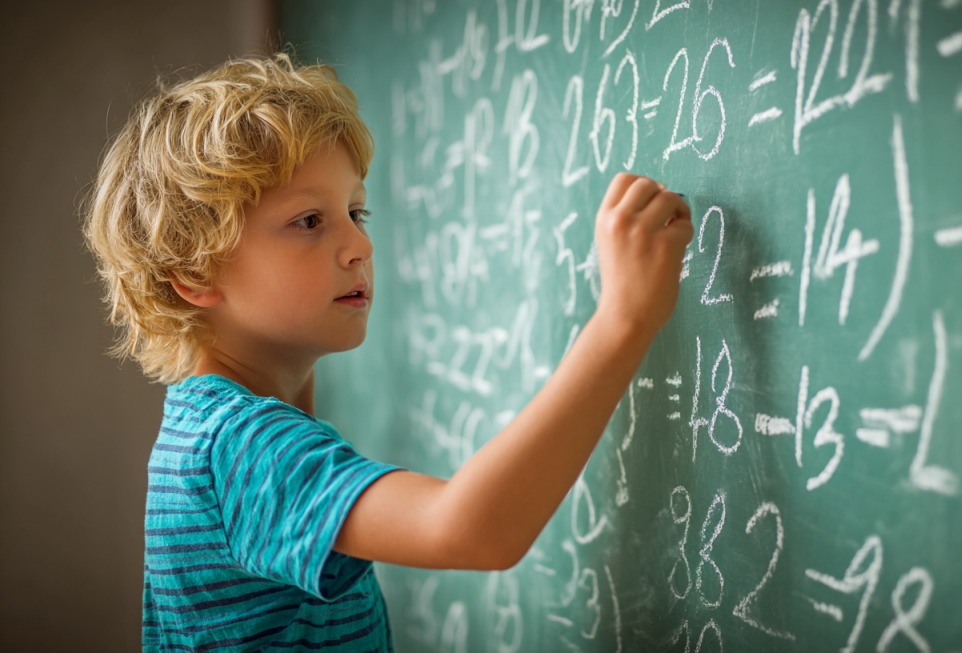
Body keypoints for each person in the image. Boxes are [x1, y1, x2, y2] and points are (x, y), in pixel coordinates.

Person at [83, 53, 692, 651]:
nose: (359, 244)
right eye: (308, 221)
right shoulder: (242, 447)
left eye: (355, 210)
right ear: (194, 274)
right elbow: (474, 531)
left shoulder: (209, 428)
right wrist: (624, 320)